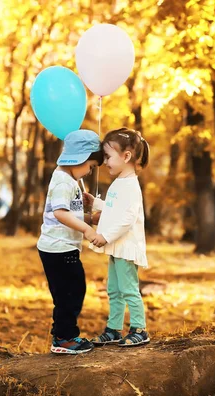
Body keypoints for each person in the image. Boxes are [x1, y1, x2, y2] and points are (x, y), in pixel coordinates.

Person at [37, 129, 103, 354]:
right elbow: (60, 214)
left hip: (60, 248)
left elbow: (69, 215)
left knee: (70, 292)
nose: (89, 171)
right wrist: (87, 229)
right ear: (81, 158)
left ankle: (63, 334)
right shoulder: (64, 182)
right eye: (91, 166)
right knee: (71, 293)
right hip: (58, 249)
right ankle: (64, 338)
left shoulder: (69, 180)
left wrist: (90, 218)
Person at [84, 128, 150, 347]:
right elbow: (114, 211)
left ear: (126, 156)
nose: (105, 162)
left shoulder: (131, 185)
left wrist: (105, 235)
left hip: (125, 246)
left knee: (129, 289)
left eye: (109, 157)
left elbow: (127, 218)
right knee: (114, 289)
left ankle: (140, 329)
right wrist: (95, 202)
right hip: (116, 247)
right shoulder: (120, 182)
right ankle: (114, 329)